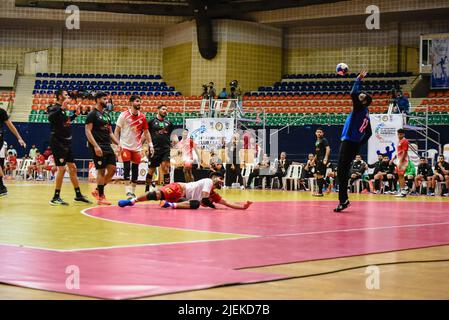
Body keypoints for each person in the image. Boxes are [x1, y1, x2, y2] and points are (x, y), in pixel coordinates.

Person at [334, 70, 372, 212]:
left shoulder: (359, 109)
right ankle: (343, 199)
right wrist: (359, 144)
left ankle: (344, 200)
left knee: (341, 172)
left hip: (348, 142)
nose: (359, 95)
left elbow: (352, 93)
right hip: (353, 144)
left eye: (361, 96)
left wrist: (358, 79)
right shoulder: (366, 114)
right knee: (342, 172)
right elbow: (369, 133)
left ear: (364, 101)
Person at [118, 172, 252, 210]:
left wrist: (242, 207)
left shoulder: (214, 194)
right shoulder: (209, 181)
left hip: (182, 199)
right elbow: (205, 199)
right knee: (156, 195)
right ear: (214, 177)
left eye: (223, 179)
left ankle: (169, 205)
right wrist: (211, 205)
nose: (222, 180)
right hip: (179, 189)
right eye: (220, 178)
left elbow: (226, 202)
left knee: (195, 204)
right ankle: (132, 201)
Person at [47, 89, 91, 205]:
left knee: (73, 168)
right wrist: (62, 107)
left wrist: (75, 115)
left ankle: (78, 195)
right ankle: (55, 197)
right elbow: (50, 118)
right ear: (59, 96)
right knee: (61, 168)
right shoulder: (54, 108)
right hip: (58, 142)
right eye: (65, 95)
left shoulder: (63, 111)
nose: (67, 96)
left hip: (67, 142)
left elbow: (66, 122)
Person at [114, 95, 153, 199]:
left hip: (137, 147)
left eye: (140, 101)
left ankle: (133, 191)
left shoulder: (143, 117)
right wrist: (117, 144)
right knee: (126, 167)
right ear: (131, 103)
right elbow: (116, 131)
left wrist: (151, 144)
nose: (139, 103)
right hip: (125, 145)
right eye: (137, 101)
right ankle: (127, 192)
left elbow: (146, 132)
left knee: (135, 169)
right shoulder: (123, 115)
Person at [85, 92, 120, 205]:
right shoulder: (92, 114)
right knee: (101, 170)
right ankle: (101, 196)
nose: (107, 101)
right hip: (98, 145)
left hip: (107, 146)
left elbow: (110, 133)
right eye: (104, 99)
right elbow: (87, 131)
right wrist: (95, 146)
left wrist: (118, 144)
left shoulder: (106, 115)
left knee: (113, 169)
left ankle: (97, 190)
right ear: (98, 99)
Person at [146, 104, 174, 191]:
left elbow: (170, 135)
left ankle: (167, 189)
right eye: (163, 109)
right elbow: (145, 134)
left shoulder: (169, 123)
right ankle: (147, 188)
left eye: (166, 109)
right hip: (154, 149)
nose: (165, 111)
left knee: (165, 168)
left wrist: (174, 140)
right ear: (158, 110)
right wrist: (144, 146)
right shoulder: (151, 122)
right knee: (151, 170)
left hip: (165, 149)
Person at [0, 107, 26, 196]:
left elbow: (10, 125)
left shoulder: (1, 112)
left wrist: (19, 138)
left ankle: (2, 186)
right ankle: (2, 187)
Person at [313, 128, 330, 197]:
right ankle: (325, 186)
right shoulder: (317, 141)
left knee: (319, 175)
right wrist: (313, 160)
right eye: (317, 132)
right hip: (317, 160)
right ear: (315, 133)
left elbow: (328, 149)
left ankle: (321, 191)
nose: (319, 133)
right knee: (317, 175)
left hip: (322, 159)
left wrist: (325, 158)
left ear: (322, 133)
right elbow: (317, 152)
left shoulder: (324, 140)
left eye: (320, 132)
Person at [394, 128, 410, 197]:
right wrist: (393, 159)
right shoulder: (399, 141)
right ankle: (403, 188)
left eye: (400, 134)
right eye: (398, 134)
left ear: (403, 134)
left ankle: (403, 191)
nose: (399, 135)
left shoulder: (405, 141)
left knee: (401, 175)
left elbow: (404, 152)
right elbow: (399, 152)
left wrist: (401, 162)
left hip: (403, 160)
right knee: (399, 176)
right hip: (399, 159)